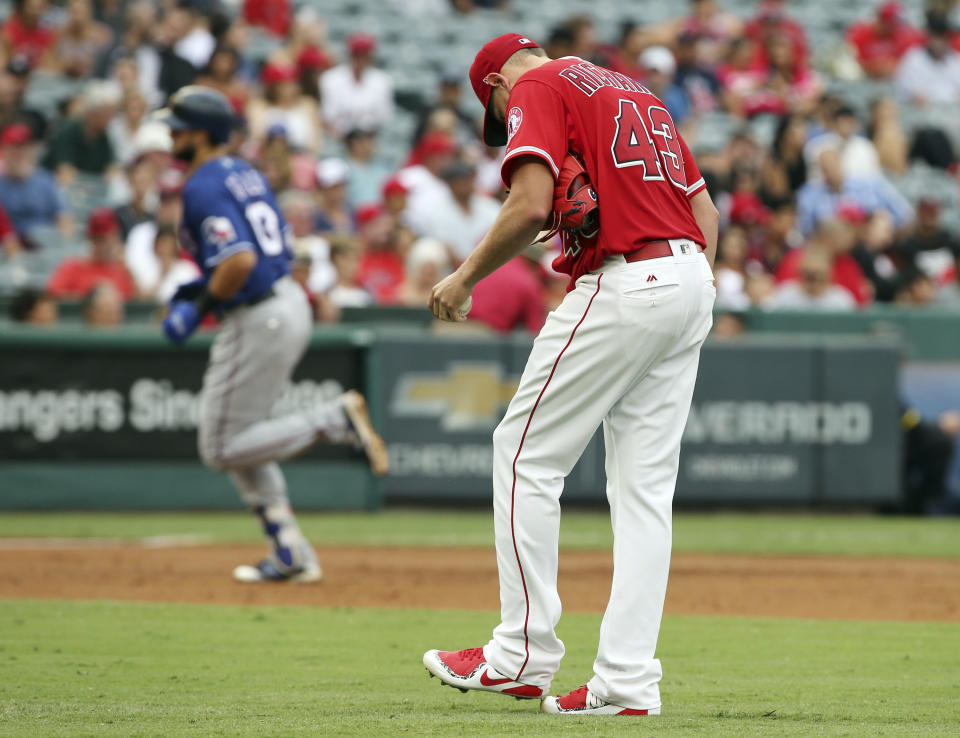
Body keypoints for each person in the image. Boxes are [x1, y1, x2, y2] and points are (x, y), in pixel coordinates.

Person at [423, 34, 718, 717]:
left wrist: (465, 276)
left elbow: (528, 203)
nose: (504, 114)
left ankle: (518, 654)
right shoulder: (638, 91)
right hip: (690, 276)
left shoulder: (534, 86)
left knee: (523, 453)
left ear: (496, 80)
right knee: (645, 492)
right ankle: (626, 682)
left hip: (626, 280)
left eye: (496, 105)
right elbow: (705, 214)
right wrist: (688, 288)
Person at [155, 86, 388, 583]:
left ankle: (333, 419)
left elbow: (238, 259)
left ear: (200, 133)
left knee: (219, 446)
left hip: (258, 312)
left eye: (177, 127)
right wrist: (206, 287)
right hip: (282, 300)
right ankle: (289, 551)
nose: (171, 135)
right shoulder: (245, 173)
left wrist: (198, 305)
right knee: (245, 438)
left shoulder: (202, 184)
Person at [0, 122, 71, 239]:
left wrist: (65, 239)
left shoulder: (45, 179)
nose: (19, 153)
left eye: (24, 147)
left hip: (44, 242)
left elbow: (64, 216)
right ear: (4, 150)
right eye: (14, 147)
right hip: (10, 245)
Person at [46, 207, 136, 299]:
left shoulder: (121, 271)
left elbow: (137, 301)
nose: (103, 245)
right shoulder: (72, 267)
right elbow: (51, 296)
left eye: (106, 239)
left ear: (115, 238)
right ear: (90, 239)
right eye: (97, 239)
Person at [319, 33, 394, 138]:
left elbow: (384, 119)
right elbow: (327, 119)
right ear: (350, 55)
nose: (361, 60)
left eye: (365, 55)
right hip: (339, 139)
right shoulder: (330, 79)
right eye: (357, 55)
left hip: (370, 140)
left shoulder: (382, 81)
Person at [424, 160, 500, 263]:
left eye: (468, 180)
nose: (465, 185)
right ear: (451, 185)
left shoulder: (490, 206)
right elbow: (443, 247)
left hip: (492, 264)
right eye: (460, 181)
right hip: (454, 271)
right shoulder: (437, 213)